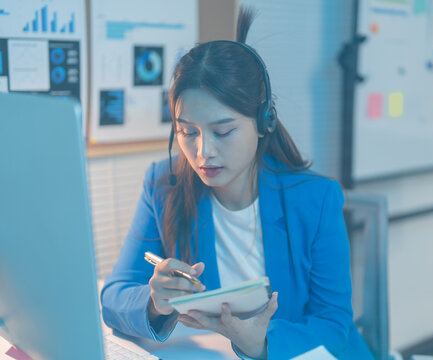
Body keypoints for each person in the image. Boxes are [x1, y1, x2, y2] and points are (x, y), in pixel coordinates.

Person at [101, 7, 374, 360]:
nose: (203, 152)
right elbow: (115, 296)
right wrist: (154, 301)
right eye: (187, 132)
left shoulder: (316, 199)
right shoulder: (163, 184)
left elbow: (333, 327)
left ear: (263, 122)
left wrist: (259, 343)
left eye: (223, 131)